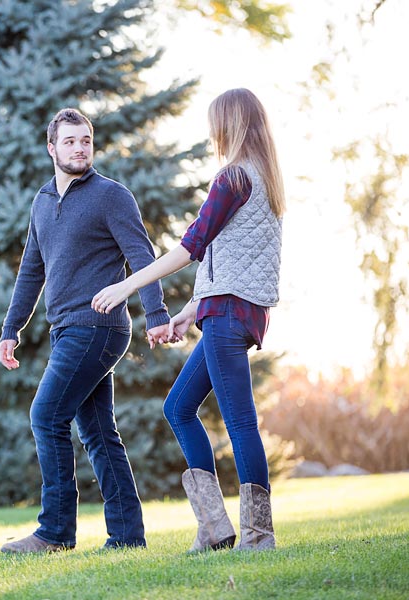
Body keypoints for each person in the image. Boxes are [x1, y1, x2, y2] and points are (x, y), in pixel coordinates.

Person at [92, 88, 285, 552]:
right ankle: (214, 527)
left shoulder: (232, 178)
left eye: (216, 123)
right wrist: (186, 312)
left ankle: (259, 535)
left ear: (230, 125)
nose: (212, 132)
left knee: (239, 422)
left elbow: (190, 247)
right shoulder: (265, 181)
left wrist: (127, 285)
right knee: (178, 407)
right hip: (232, 313)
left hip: (226, 317)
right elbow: (232, 264)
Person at [0, 108, 171, 554]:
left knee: (46, 415)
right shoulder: (41, 201)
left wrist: (155, 315)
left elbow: (142, 255)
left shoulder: (111, 196)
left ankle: (54, 532)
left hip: (98, 326)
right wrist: (11, 328)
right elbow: (31, 271)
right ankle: (128, 537)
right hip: (65, 329)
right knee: (97, 432)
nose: (80, 148)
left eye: (86, 141)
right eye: (70, 141)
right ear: (52, 147)